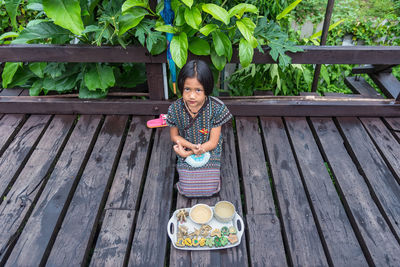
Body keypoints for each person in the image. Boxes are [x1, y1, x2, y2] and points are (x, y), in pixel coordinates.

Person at [166, 59, 232, 198]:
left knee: (209, 188)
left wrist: (190, 153)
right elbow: (175, 137)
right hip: (186, 146)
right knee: (188, 188)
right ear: (181, 87)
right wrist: (191, 148)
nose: (191, 95)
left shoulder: (217, 108)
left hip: (209, 148)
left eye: (198, 90)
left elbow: (213, 142)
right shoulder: (175, 109)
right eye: (187, 89)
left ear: (207, 89)